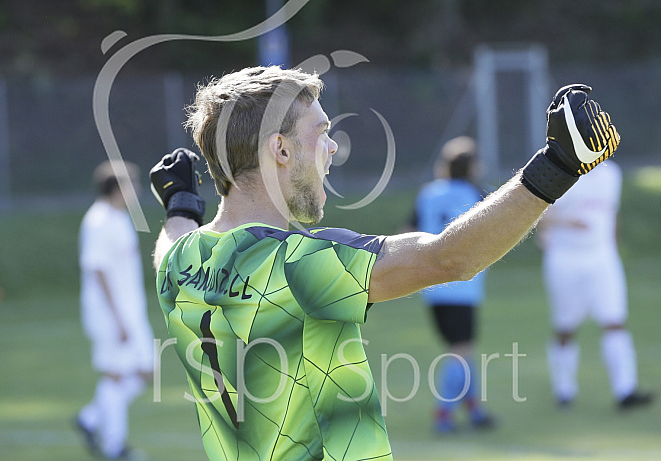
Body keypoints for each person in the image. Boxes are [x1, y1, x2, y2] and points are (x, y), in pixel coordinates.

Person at [149, 67, 620, 460]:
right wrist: (557, 165)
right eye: (323, 134)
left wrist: (180, 206)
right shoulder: (297, 265)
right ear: (281, 149)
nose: (332, 148)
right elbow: (448, 258)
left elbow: (171, 243)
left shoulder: (180, 265)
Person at [538, 160, 653, 410]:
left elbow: (612, 214)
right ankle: (564, 390)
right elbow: (540, 215)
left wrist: (614, 249)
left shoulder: (611, 173)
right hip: (565, 260)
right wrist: (567, 224)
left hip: (602, 259)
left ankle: (625, 390)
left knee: (614, 320)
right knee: (565, 328)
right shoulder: (560, 171)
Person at [410, 136, 494, 432]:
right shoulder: (476, 194)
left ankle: (474, 410)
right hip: (462, 285)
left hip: (431, 286)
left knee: (462, 348)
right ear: (472, 167)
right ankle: (443, 415)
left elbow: (407, 232)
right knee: (461, 351)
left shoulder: (428, 193)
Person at [75, 160, 154, 460]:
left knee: (146, 370)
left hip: (130, 311)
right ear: (117, 188)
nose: (137, 191)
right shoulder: (98, 221)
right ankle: (114, 448)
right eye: (132, 185)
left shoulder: (120, 218)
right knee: (116, 377)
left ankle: (91, 418)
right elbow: (98, 271)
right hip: (111, 315)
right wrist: (118, 319)